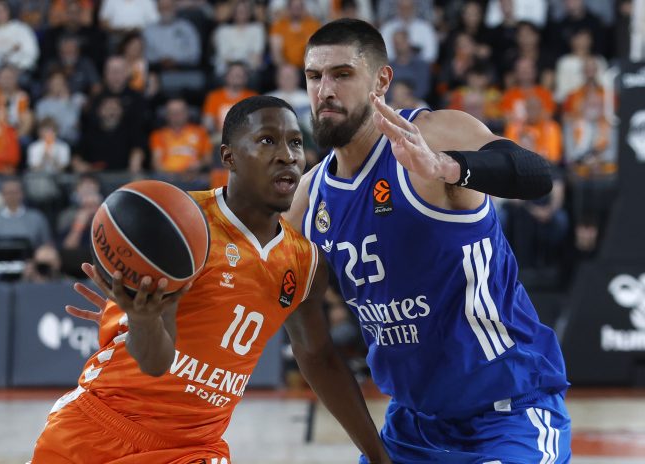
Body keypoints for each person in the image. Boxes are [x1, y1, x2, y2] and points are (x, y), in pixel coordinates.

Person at [30, 96, 391, 464]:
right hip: (99, 429)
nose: (287, 155)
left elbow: (319, 357)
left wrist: (378, 455)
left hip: (194, 448)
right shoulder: (180, 225)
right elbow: (154, 362)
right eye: (267, 140)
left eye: (295, 142)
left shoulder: (305, 263)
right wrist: (142, 319)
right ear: (228, 157)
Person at [285, 19, 571, 463]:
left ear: (381, 81)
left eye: (342, 74)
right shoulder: (308, 199)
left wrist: (447, 167)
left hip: (507, 414)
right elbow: (312, 349)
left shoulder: (433, 134)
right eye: (314, 76)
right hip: (412, 427)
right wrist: (377, 455)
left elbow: (537, 175)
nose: (325, 90)